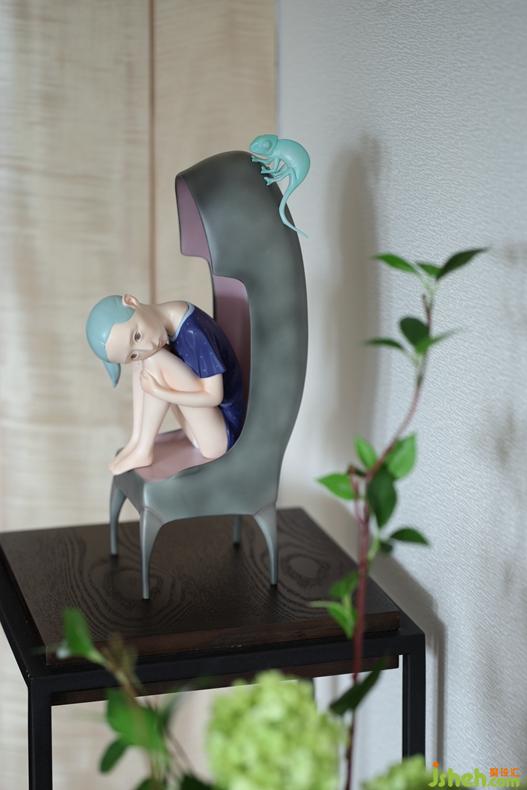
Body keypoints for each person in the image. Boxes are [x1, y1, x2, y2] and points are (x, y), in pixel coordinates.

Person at [85, 293, 246, 475]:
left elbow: (214, 396)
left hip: (220, 438)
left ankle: (144, 450)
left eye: (137, 336)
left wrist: (159, 392)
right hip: (197, 431)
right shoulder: (160, 330)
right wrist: (143, 365)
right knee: (143, 360)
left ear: (131, 302)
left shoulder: (193, 331)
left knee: (153, 358)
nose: (147, 346)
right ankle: (137, 440)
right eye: (132, 354)